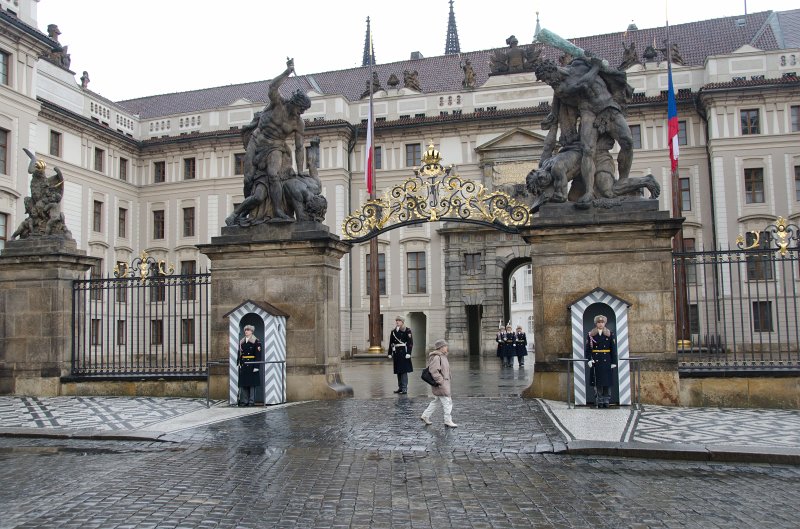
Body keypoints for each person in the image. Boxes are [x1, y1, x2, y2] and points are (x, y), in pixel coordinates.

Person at [226, 58, 312, 225]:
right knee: (248, 179)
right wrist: (287, 72)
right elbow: (273, 86)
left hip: (276, 146)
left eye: (303, 111)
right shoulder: (278, 104)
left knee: (273, 175)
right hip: (257, 141)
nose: (301, 113)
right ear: (295, 103)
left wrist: (300, 170)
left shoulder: (298, 123)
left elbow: (300, 147)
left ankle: (278, 211)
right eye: (301, 109)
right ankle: (244, 214)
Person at [420, 339, 457, 428]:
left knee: (436, 401)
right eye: (445, 346)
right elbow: (434, 371)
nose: (446, 348)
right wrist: (440, 381)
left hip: (444, 383)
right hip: (441, 384)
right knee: (448, 402)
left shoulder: (443, 356)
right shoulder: (437, 357)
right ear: (440, 348)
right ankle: (448, 420)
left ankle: (425, 415)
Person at [585, 315, 617, 408]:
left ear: (605, 323)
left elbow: (613, 349)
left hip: (607, 360)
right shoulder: (591, 334)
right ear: (596, 323)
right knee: (597, 382)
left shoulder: (610, 334)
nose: (600, 324)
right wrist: (589, 359)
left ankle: (606, 400)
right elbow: (588, 349)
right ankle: (599, 400)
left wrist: (613, 362)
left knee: (607, 382)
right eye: (599, 322)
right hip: (596, 360)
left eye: (602, 322)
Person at [237, 325, 263, 406]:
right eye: (245, 330)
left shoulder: (256, 341)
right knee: (244, 384)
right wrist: (239, 363)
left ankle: (251, 401)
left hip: (252, 364)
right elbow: (240, 354)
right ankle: (245, 401)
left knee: (252, 384)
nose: (246, 331)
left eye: (248, 330)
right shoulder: (242, 341)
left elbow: (258, 355)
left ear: (252, 331)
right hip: (244, 364)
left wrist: (256, 367)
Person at [388, 315, 413, 394]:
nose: (397, 322)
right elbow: (391, 343)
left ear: (402, 322)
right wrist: (390, 353)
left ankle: (404, 388)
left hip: (404, 352)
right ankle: (400, 387)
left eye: (399, 321)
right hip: (396, 353)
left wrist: (409, 353)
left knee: (403, 371)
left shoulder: (407, 330)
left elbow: (410, 343)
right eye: (396, 321)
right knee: (398, 371)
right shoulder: (393, 331)